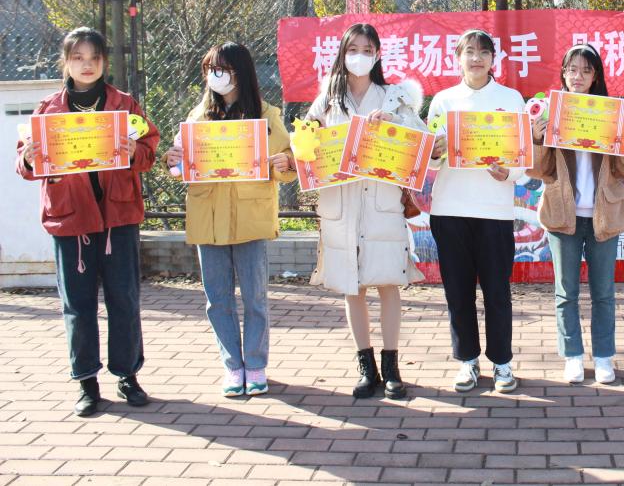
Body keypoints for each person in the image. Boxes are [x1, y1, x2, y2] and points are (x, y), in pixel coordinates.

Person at [16, 27, 159, 417]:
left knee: (124, 299)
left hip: (118, 218)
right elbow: (25, 164)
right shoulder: (48, 110)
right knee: (78, 305)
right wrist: (28, 157)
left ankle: (127, 375)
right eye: (78, 57)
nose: (87, 65)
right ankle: (86, 382)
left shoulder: (124, 104)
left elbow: (149, 150)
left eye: (94, 57)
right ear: (66, 62)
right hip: (70, 219)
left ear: (104, 62)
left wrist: (134, 150)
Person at [164, 42, 295, 396]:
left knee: (255, 297)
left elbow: (287, 160)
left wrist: (285, 163)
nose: (215, 76)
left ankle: (255, 363)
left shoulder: (266, 116)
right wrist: (173, 161)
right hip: (208, 217)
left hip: (250, 216)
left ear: (241, 72)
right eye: (210, 70)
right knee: (217, 299)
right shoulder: (198, 117)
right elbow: (180, 165)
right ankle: (232, 366)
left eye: (221, 69)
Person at [306, 23, 426, 399]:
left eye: (367, 49)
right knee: (351, 284)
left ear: (377, 55)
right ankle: (366, 366)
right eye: (352, 49)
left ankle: (391, 367)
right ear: (342, 54)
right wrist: (308, 138)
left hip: (381, 202)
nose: (359, 56)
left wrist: (394, 125)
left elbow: (420, 142)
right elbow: (306, 144)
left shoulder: (393, 97)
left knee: (388, 282)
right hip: (341, 203)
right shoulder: (328, 98)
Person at [526, 44, 624, 384]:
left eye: (586, 71)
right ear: (563, 73)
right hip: (562, 215)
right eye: (572, 70)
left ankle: (604, 356)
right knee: (566, 292)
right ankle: (573, 356)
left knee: (603, 292)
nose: (577, 76)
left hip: (603, 215)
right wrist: (537, 140)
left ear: (596, 77)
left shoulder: (612, 113)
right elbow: (538, 170)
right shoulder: (552, 113)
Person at [426, 29, 526, 393]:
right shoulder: (443, 101)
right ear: (457, 58)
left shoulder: (511, 99)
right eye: (469, 52)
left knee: (497, 292)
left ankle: (502, 362)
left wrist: (508, 173)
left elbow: (522, 159)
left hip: (494, 211)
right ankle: (466, 360)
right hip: (450, 209)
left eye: (484, 52)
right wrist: (435, 152)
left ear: (493, 59)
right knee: (458, 292)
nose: (476, 58)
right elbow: (429, 161)